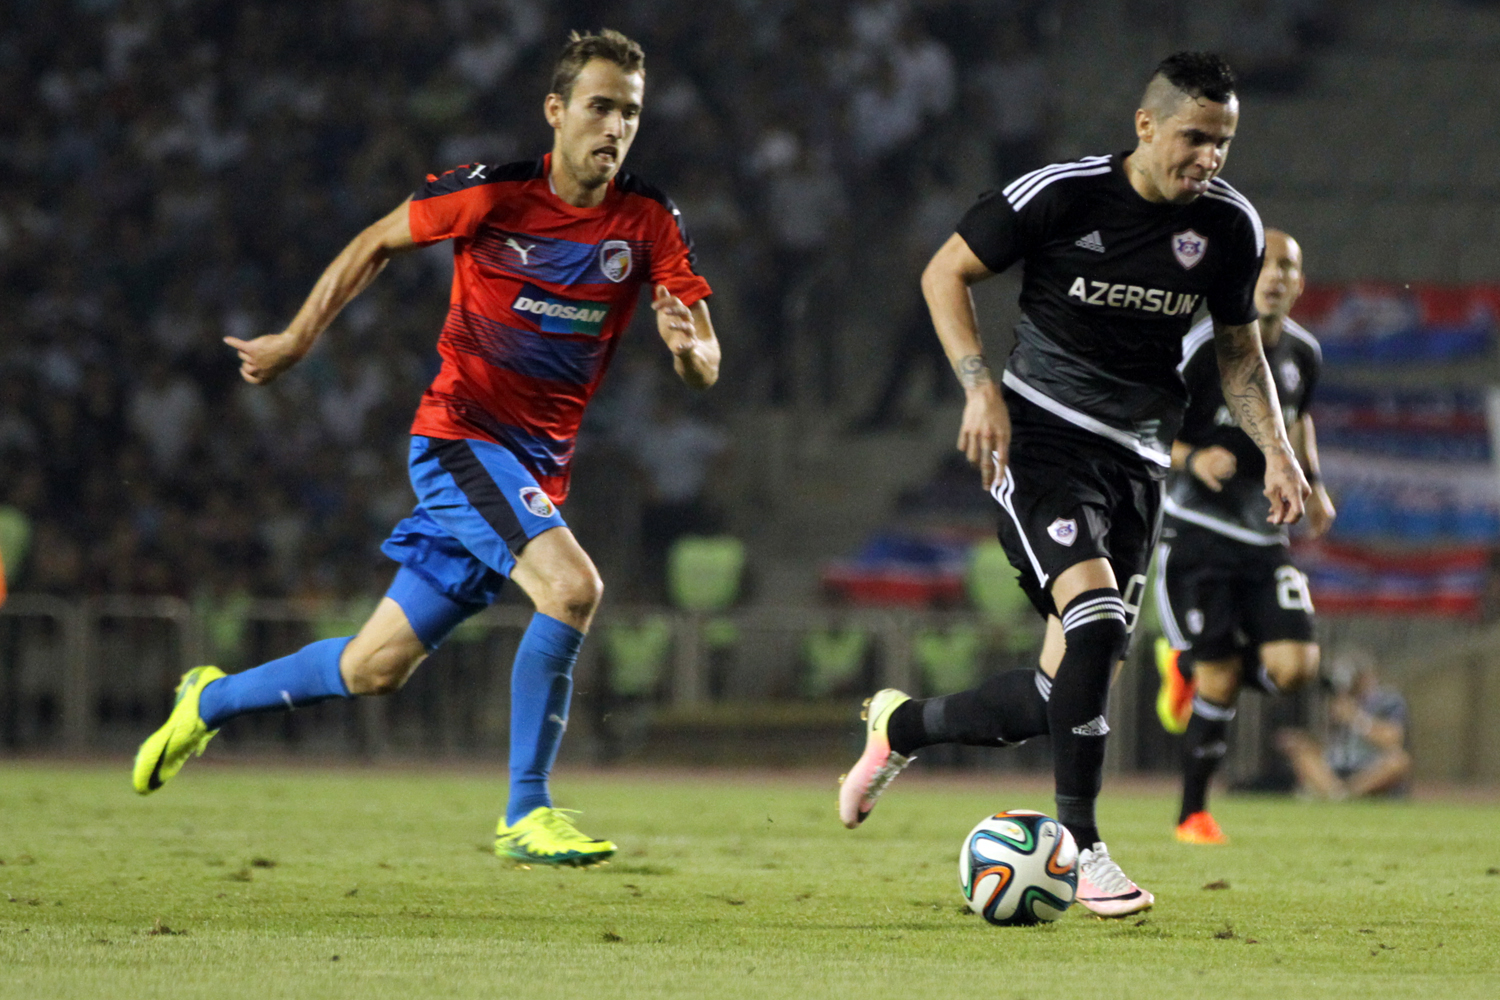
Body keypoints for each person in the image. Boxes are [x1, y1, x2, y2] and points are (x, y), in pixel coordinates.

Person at [132, 29, 720, 868]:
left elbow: (707, 361)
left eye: (630, 111)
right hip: (461, 440)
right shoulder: (494, 195)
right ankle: (527, 810)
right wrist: (300, 339)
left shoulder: (649, 218)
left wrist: (686, 353)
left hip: (531, 471)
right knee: (572, 587)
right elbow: (376, 239)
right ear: (555, 112)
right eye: (599, 107)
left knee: (374, 668)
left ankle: (210, 699)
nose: (615, 127)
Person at [838, 52, 1309, 917]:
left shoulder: (1231, 228)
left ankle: (897, 727)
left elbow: (1240, 352)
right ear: (1145, 126)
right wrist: (980, 385)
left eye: (1224, 143)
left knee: (1061, 695)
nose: (1209, 158)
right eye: (1195, 138)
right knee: (1092, 619)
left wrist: (1277, 452)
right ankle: (1082, 847)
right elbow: (946, 271)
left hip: (1137, 461)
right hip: (1039, 437)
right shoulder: (1061, 194)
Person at [1152, 228, 1336, 845]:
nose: (1278, 275)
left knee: (1296, 666)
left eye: (1290, 266)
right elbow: (1146, 425)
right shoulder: (1204, 348)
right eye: (1267, 265)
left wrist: (1314, 482)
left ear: (1300, 283)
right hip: (1198, 533)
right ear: (1244, 278)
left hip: (1264, 538)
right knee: (1221, 681)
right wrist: (1193, 458)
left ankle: (1198, 662)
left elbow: (1298, 417)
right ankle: (1192, 815)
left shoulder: (1303, 354)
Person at [1275, 649, 1411, 799]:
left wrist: (1355, 718)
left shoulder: (1388, 700)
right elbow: (1327, 746)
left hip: (1369, 766)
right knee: (1302, 753)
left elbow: (1393, 739)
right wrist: (1304, 741)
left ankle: (1346, 794)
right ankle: (1337, 794)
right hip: (1337, 767)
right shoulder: (1336, 702)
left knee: (1399, 761)